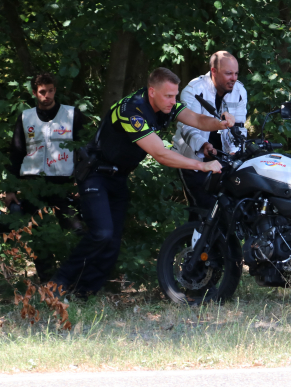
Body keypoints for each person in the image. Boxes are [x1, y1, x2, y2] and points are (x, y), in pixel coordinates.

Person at [49, 67, 232, 297]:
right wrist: (202, 165)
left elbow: (195, 118)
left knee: (112, 243)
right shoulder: (132, 110)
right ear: (152, 91)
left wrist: (221, 124)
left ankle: (83, 294)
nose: (173, 101)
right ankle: (57, 285)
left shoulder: (167, 105)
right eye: (168, 96)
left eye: (175, 96)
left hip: (118, 178)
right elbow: (160, 153)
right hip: (96, 174)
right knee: (102, 233)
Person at [5, 72, 87, 281]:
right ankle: (47, 279)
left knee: (77, 230)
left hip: (64, 183)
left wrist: (81, 181)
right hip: (33, 184)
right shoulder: (25, 117)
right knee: (35, 232)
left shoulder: (71, 115)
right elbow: (15, 153)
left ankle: (76, 277)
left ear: (55, 91)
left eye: (50, 91)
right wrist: (10, 189)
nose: (47, 95)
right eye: (42, 92)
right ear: (35, 93)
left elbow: (85, 151)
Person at [173, 51, 248, 217]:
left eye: (236, 73)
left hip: (223, 159)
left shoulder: (240, 91)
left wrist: (235, 150)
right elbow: (187, 127)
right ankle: (192, 241)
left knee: (228, 211)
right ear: (213, 71)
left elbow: (240, 127)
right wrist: (203, 145)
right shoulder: (193, 90)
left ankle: (204, 241)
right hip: (192, 158)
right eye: (228, 73)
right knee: (204, 209)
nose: (234, 78)